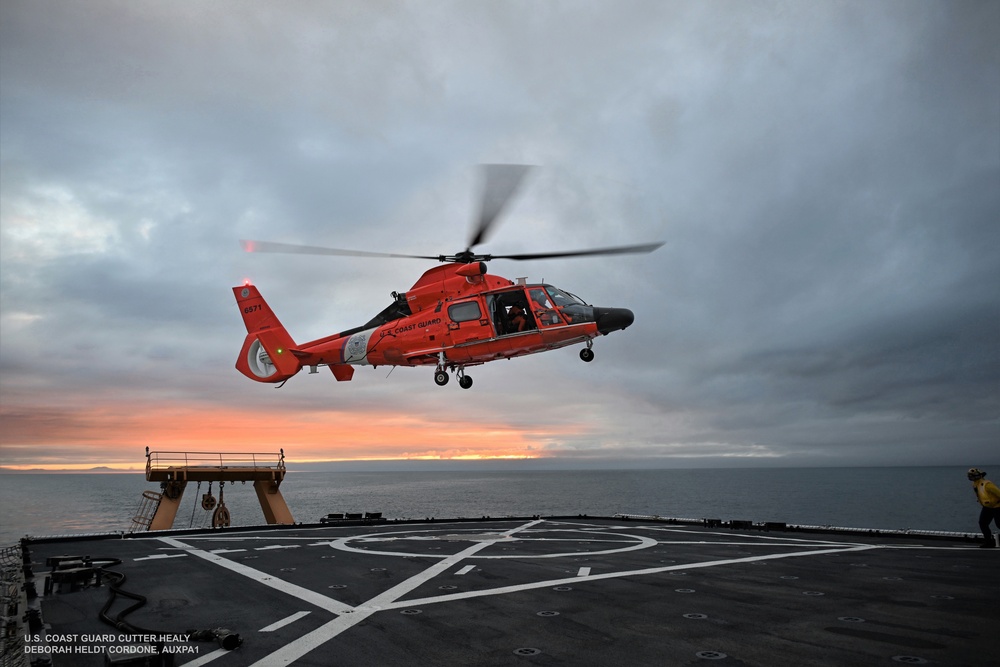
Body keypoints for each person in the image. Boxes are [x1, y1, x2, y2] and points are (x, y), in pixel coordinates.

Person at [967, 468, 1000, 548]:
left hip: (997, 506)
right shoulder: (975, 484)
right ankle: (989, 542)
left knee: (999, 524)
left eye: (972, 476)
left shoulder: (987, 484)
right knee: (983, 523)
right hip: (988, 507)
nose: (971, 478)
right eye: (970, 476)